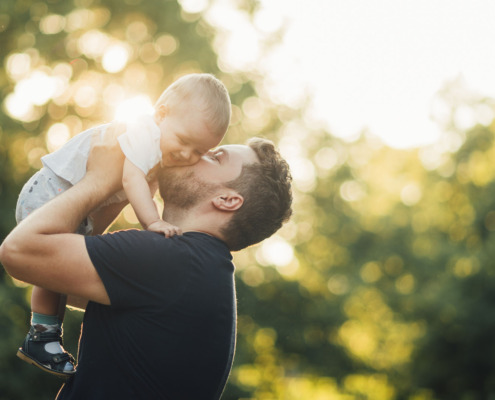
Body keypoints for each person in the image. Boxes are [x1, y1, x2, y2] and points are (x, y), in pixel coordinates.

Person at [0, 127, 292, 399]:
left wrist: (100, 179)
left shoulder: (172, 260)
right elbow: (56, 274)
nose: (197, 152)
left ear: (228, 199)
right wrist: (125, 185)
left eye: (215, 157)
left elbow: (19, 252)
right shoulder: (198, 268)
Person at [13, 73, 231, 377]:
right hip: (52, 194)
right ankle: (42, 334)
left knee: (58, 272)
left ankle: (47, 333)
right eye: (183, 141)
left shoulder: (157, 146)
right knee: (52, 267)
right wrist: (152, 221)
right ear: (161, 113)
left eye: (198, 151)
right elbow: (131, 180)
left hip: (64, 199)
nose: (186, 155)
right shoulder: (144, 135)